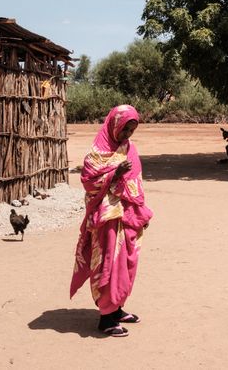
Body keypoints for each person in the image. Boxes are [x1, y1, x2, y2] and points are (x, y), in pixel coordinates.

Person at [70, 105, 153, 337]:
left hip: (128, 216)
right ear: (114, 125)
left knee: (127, 263)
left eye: (131, 130)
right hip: (107, 218)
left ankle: (117, 309)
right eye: (124, 129)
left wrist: (141, 211)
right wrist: (114, 174)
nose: (127, 135)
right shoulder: (96, 154)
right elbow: (89, 183)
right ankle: (106, 318)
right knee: (109, 263)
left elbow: (137, 182)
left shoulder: (130, 149)